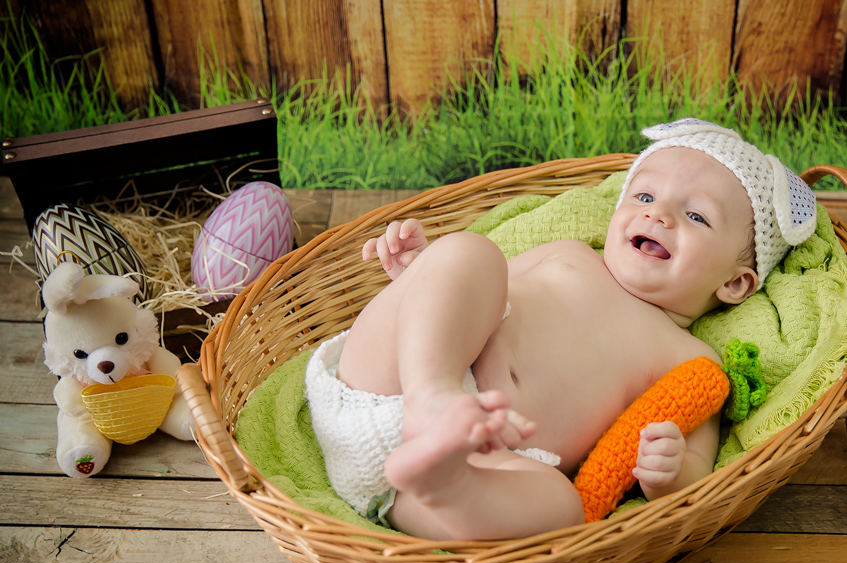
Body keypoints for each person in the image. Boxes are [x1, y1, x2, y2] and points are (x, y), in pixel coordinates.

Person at [305, 119, 818, 540]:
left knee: (563, 507)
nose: (658, 214)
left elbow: (698, 473)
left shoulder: (691, 365)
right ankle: (432, 398)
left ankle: (442, 481)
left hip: (475, 472)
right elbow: (469, 291)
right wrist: (422, 272)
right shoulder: (572, 254)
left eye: (696, 216)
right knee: (473, 254)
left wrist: (670, 470)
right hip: (392, 380)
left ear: (734, 283)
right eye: (643, 196)